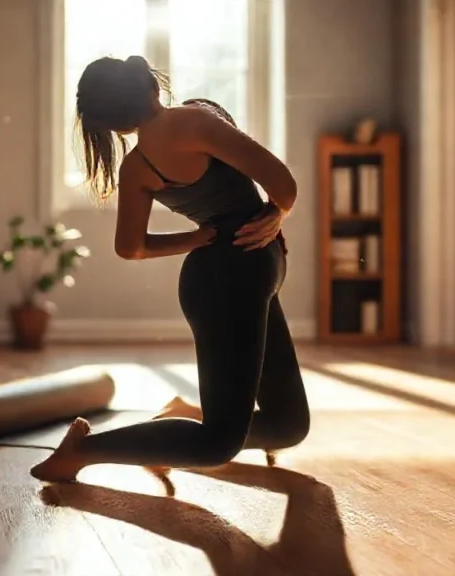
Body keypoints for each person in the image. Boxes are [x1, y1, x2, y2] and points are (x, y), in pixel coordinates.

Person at [30, 55, 310, 483]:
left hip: (240, 277)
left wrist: (194, 239)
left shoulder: (138, 166)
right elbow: (284, 185)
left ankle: (182, 419)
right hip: (228, 283)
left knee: (289, 424)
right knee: (218, 444)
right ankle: (82, 451)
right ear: (150, 86)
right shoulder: (196, 119)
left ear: (113, 125)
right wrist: (276, 213)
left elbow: (131, 247)